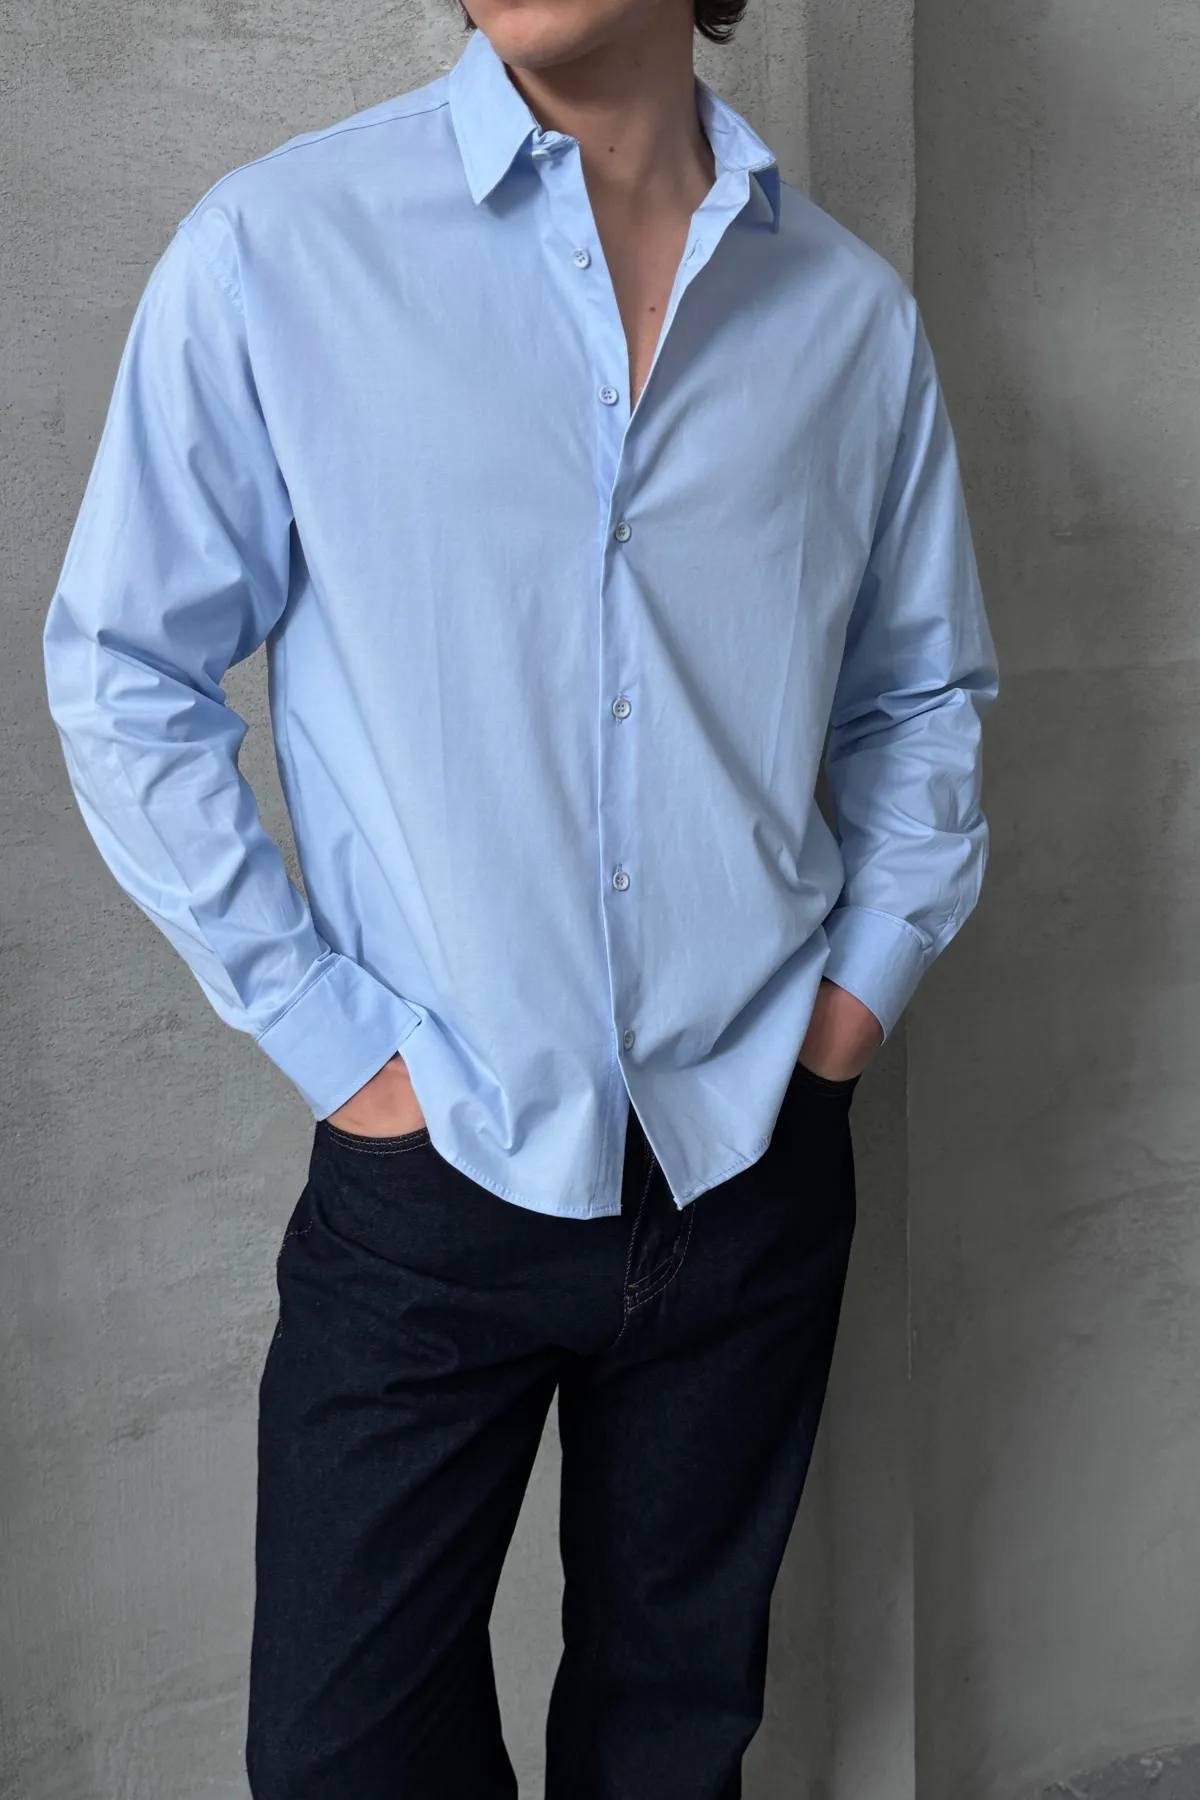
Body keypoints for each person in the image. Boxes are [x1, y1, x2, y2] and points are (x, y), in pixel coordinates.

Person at [42, 0, 998, 1792]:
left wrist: (849, 1010)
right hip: (432, 1178)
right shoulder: (281, 249)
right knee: (344, 1758)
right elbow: (123, 674)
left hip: (751, 1160)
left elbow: (921, 696)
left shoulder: (847, 314)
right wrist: (342, 1052)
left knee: (673, 1747)